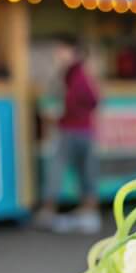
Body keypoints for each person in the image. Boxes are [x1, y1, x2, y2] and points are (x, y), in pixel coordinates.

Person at [35, 36, 101, 234]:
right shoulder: (69, 74)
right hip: (78, 129)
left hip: (75, 130)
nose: (58, 54)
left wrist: (64, 114)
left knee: (64, 168)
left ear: (74, 52)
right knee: (80, 170)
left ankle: (51, 211)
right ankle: (84, 213)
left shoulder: (78, 75)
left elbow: (91, 99)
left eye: (62, 50)